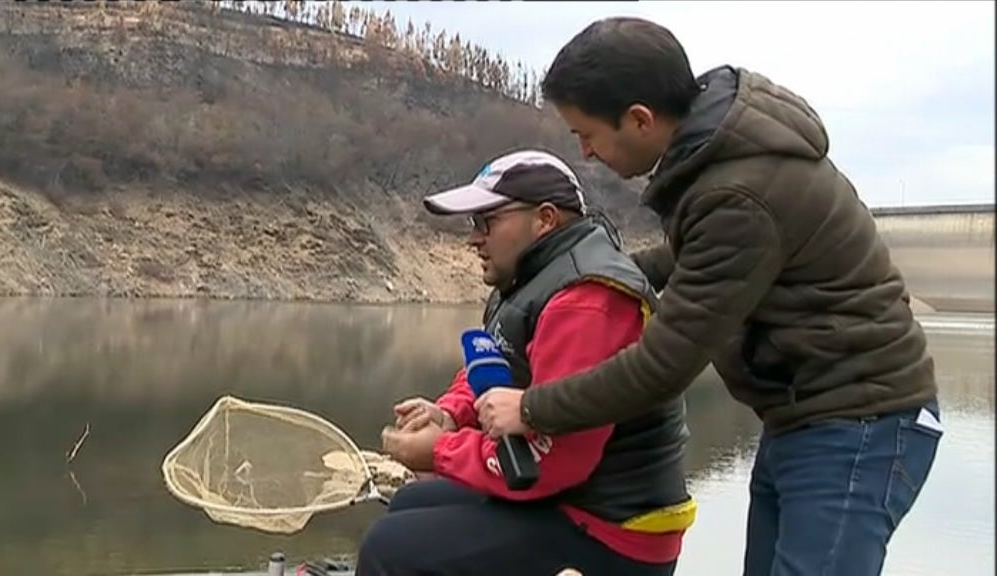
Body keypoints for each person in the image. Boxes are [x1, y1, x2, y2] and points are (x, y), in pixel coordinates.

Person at [473, 17, 943, 576]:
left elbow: (664, 364)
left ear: (640, 119)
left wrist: (530, 408)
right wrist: (583, 274)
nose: (587, 152)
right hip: (806, 416)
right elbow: (684, 260)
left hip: (860, 422)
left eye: (588, 134)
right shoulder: (715, 163)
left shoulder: (737, 192)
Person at [356, 150, 695, 576]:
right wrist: (449, 413)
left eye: (488, 221)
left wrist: (440, 452)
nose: (474, 238)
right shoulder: (533, 277)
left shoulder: (585, 301)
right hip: (571, 501)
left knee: (388, 549)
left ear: (545, 219)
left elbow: (552, 462)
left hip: (613, 532)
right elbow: (494, 363)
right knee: (408, 504)